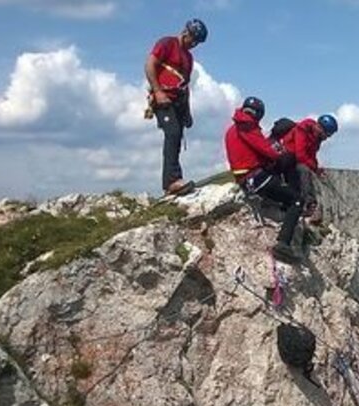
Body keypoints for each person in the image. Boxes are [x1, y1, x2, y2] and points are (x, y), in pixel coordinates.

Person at [224, 96, 303, 263]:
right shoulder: (248, 126)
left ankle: (282, 201)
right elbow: (268, 151)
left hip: (245, 179)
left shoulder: (232, 129)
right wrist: (281, 154)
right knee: (296, 200)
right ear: (259, 114)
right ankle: (283, 244)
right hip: (257, 177)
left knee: (283, 179)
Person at [145, 19, 208, 196]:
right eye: (193, 40)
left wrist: (187, 111)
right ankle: (171, 181)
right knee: (172, 133)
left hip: (178, 101)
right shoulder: (167, 43)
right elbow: (150, 65)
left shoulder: (188, 57)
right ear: (186, 32)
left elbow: (184, 85)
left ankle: (173, 181)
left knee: (177, 137)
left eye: (197, 42)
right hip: (163, 98)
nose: (194, 44)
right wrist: (158, 91)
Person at [280, 114, 338, 224]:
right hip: (287, 158)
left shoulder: (317, 138)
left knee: (305, 169)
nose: (326, 138)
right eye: (326, 134)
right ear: (320, 128)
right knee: (304, 170)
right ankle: (310, 204)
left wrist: (316, 168)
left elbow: (311, 155)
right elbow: (301, 155)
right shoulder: (302, 130)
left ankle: (304, 204)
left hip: (294, 159)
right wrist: (314, 168)